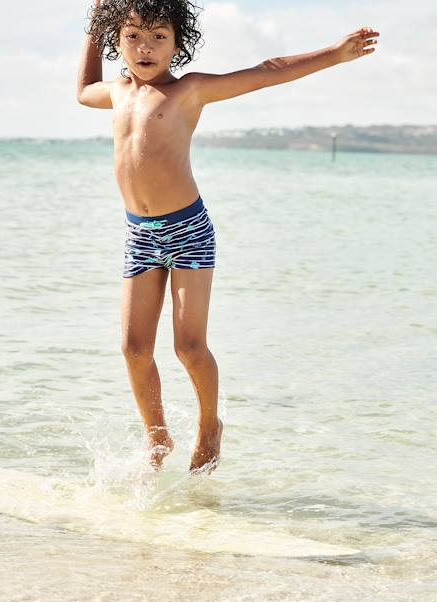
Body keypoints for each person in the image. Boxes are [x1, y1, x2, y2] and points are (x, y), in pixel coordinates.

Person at [77, 0, 379, 474]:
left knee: (188, 347)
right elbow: (81, 91)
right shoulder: (116, 92)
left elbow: (266, 71)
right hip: (140, 234)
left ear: (178, 44)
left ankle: (209, 425)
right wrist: (95, 24)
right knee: (134, 348)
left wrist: (333, 55)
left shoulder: (189, 91)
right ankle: (157, 437)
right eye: (133, 35)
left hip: (188, 230)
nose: (145, 47)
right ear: (118, 40)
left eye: (159, 36)